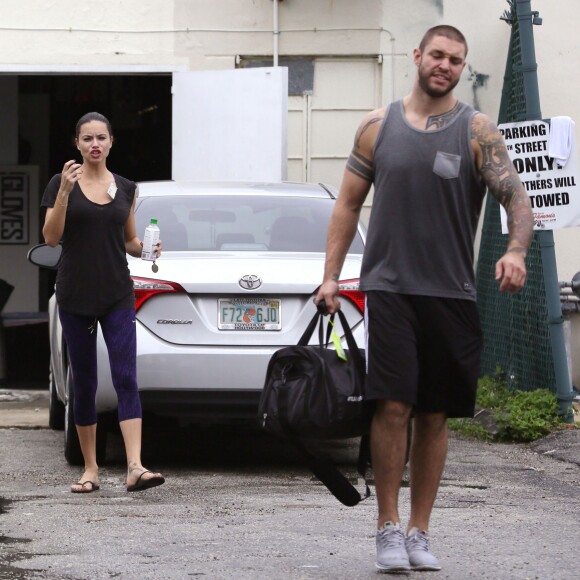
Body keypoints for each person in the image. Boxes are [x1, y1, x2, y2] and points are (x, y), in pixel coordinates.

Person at [315, 25, 533, 573]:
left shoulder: (478, 130)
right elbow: (346, 205)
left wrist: (517, 251)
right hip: (388, 288)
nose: (445, 65)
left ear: (461, 68)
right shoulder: (377, 126)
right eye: (437, 55)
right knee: (392, 405)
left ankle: (420, 531)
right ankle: (387, 527)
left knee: (435, 416)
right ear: (417, 56)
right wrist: (331, 276)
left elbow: (517, 196)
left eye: (456, 60)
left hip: (452, 293)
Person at [41, 112, 166, 494]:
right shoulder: (61, 184)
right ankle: (91, 469)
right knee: (85, 382)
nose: (94, 144)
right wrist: (63, 192)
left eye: (101, 138)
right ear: (76, 144)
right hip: (76, 295)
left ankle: (135, 467)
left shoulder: (126, 187)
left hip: (116, 294)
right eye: (87, 139)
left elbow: (129, 239)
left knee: (126, 377)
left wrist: (146, 248)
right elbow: (50, 238)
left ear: (111, 142)